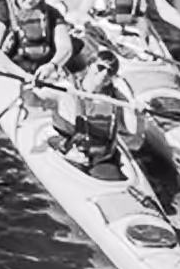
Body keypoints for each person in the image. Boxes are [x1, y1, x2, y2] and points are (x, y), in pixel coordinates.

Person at [45, 45, 133, 174]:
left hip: (102, 159)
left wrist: (137, 112)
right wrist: (38, 84)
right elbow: (37, 97)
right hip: (74, 155)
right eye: (101, 67)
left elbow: (134, 135)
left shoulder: (115, 97)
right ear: (90, 65)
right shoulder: (68, 88)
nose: (104, 74)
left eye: (110, 72)